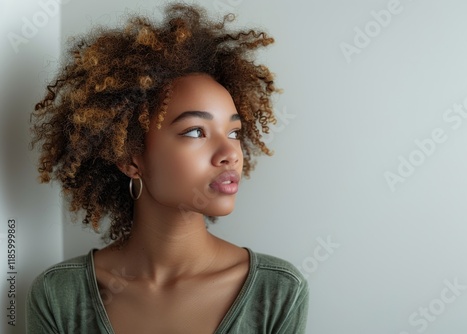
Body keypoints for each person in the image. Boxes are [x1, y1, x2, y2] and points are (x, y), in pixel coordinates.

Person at [27, 3, 309, 333]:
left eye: (234, 132)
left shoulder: (277, 293)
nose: (229, 153)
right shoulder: (59, 296)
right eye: (195, 132)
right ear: (131, 157)